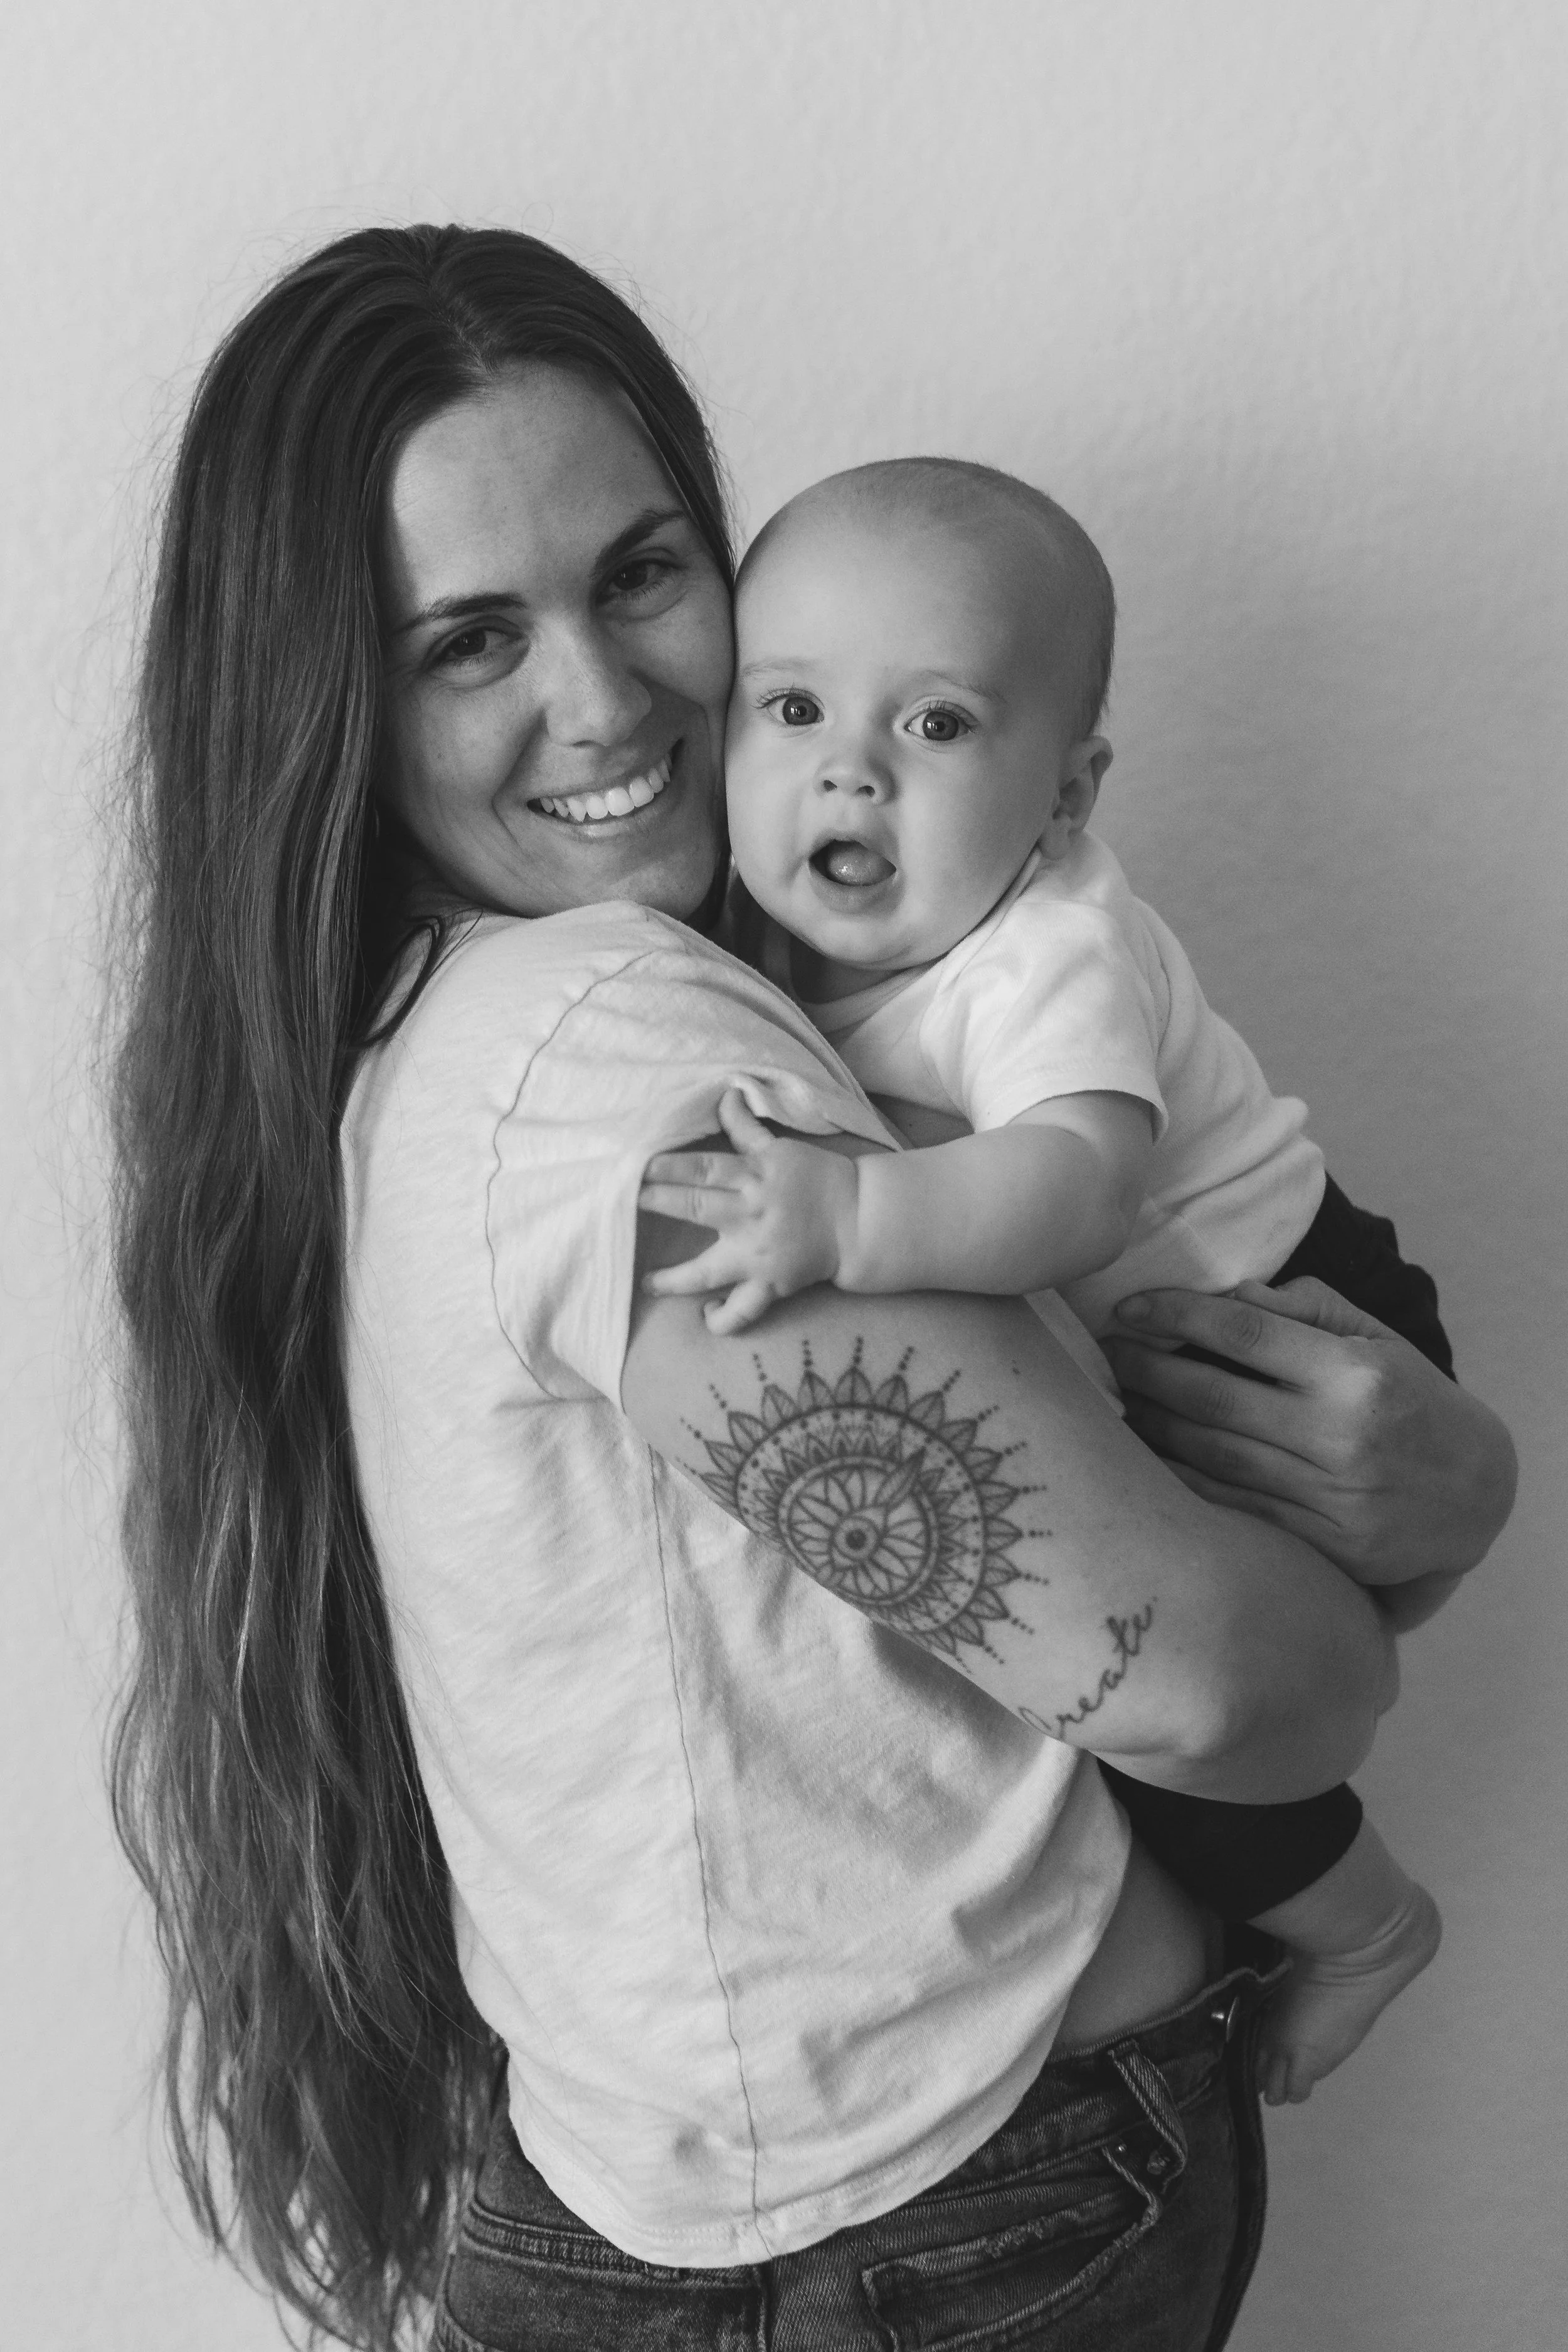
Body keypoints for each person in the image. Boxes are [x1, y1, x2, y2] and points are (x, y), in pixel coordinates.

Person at [107, 225, 1517, 2352]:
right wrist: (1432, 1547)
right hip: (938, 2211)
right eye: (467, 640)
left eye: (644, 574)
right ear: (321, 696)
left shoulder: (453, 1017)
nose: (602, 701)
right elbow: (1229, 1688)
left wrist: (1437, 1470)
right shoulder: (622, 1058)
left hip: (729, 2187)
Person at [641, 456, 1446, 2106]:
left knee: (1155, 1703)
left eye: (933, 725)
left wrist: (843, 1226)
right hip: (1171, 1354)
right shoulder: (793, 928)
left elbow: (1075, 1189)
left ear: (1066, 795)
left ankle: (1363, 1925)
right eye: (788, 707)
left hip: (1291, 1316)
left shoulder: (1043, 947)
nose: (846, 771)